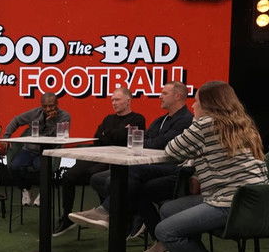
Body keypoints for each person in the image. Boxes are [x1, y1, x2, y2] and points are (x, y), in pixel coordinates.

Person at [155, 81, 268, 252]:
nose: (192, 106)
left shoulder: (205, 124)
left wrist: (195, 123)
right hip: (253, 201)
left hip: (231, 204)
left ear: (209, 105)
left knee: (165, 231)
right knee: (169, 209)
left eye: (197, 102)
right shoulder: (243, 122)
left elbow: (172, 150)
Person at [70, 81, 193, 233]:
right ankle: (126, 219)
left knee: (123, 180)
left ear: (178, 96)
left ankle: (109, 213)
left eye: (164, 93)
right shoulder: (161, 120)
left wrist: (145, 141)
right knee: (98, 179)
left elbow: (160, 143)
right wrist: (145, 141)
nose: (160, 96)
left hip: (171, 168)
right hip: (151, 166)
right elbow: (143, 139)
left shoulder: (186, 119)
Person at [54, 87, 145, 236]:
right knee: (69, 175)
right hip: (100, 155)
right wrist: (116, 134)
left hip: (119, 160)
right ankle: (66, 217)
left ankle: (110, 214)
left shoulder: (137, 119)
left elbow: (122, 139)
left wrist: (107, 133)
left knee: (95, 175)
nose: (114, 103)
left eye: (117, 100)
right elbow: (98, 137)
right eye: (112, 100)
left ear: (128, 101)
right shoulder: (108, 118)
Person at [2, 92, 70, 207]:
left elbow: (61, 137)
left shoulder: (64, 116)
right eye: (44, 106)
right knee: (14, 166)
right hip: (29, 150)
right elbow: (16, 120)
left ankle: (43, 192)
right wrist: (6, 137)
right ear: (41, 105)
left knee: (42, 168)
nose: (48, 109)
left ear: (57, 104)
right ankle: (26, 189)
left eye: (51, 106)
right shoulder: (35, 113)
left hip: (47, 151)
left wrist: (51, 121)